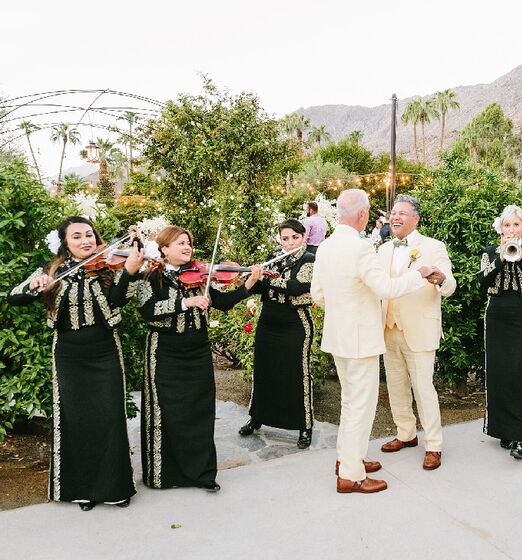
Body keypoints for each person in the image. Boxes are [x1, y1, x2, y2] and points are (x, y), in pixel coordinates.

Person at [7, 216, 141, 511]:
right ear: (65, 244)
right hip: (68, 356)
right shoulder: (50, 272)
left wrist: (130, 273)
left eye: (90, 234)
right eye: (77, 236)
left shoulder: (107, 268)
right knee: (76, 420)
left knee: (109, 419)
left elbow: (118, 301)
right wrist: (34, 285)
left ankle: (115, 488)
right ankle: (83, 489)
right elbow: (13, 298)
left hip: (105, 353)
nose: (86, 240)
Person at [310, 189, 434, 494]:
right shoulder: (361, 248)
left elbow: (318, 295)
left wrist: (343, 312)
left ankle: (348, 459)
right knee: (359, 407)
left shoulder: (324, 247)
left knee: (350, 402)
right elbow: (387, 288)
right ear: (363, 215)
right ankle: (351, 476)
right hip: (361, 339)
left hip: (338, 337)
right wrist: (419, 275)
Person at [136, 225, 262, 492]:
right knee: (166, 412)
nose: (186, 247)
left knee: (200, 412)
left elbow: (224, 303)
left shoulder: (199, 278)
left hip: (198, 350)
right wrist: (186, 303)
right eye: (180, 243)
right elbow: (147, 311)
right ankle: (162, 474)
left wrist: (249, 283)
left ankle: (203, 473)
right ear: (164, 249)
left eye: (188, 243)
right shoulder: (150, 277)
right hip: (165, 351)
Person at [376, 195, 457, 471]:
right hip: (388, 328)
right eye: (393, 213)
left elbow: (450, 285)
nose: (395, 217)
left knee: (424, 389)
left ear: (416, 218)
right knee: (396, 386)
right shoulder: (384, 249)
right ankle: (405, 433)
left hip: (420, 329)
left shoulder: (433, 247)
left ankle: (433, 444)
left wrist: (441, 279)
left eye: (402, 213)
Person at [238, 219, 316, 449]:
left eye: (295, 237)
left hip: (295, 324)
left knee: (297, 373)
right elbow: (260, 288)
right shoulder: (273, 257)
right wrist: (252, 279)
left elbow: (298, 286)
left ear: (304, 237)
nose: (290, 243)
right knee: (264, 370)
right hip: (269, 322)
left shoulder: (310, 259)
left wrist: (271, 279)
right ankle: (257, 417)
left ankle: (305, 426)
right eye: (285, 238)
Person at [480, 205, 522, 460]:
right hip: (497, 313)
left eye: (516, 225)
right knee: (498, 372)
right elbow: (483, 282)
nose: (511, 230)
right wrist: (500, 257)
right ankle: (501, 430)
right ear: (501, 228)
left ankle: (519, 436)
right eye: (507, 225)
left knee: (520, 372)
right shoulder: (489, 252)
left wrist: (521, 259)